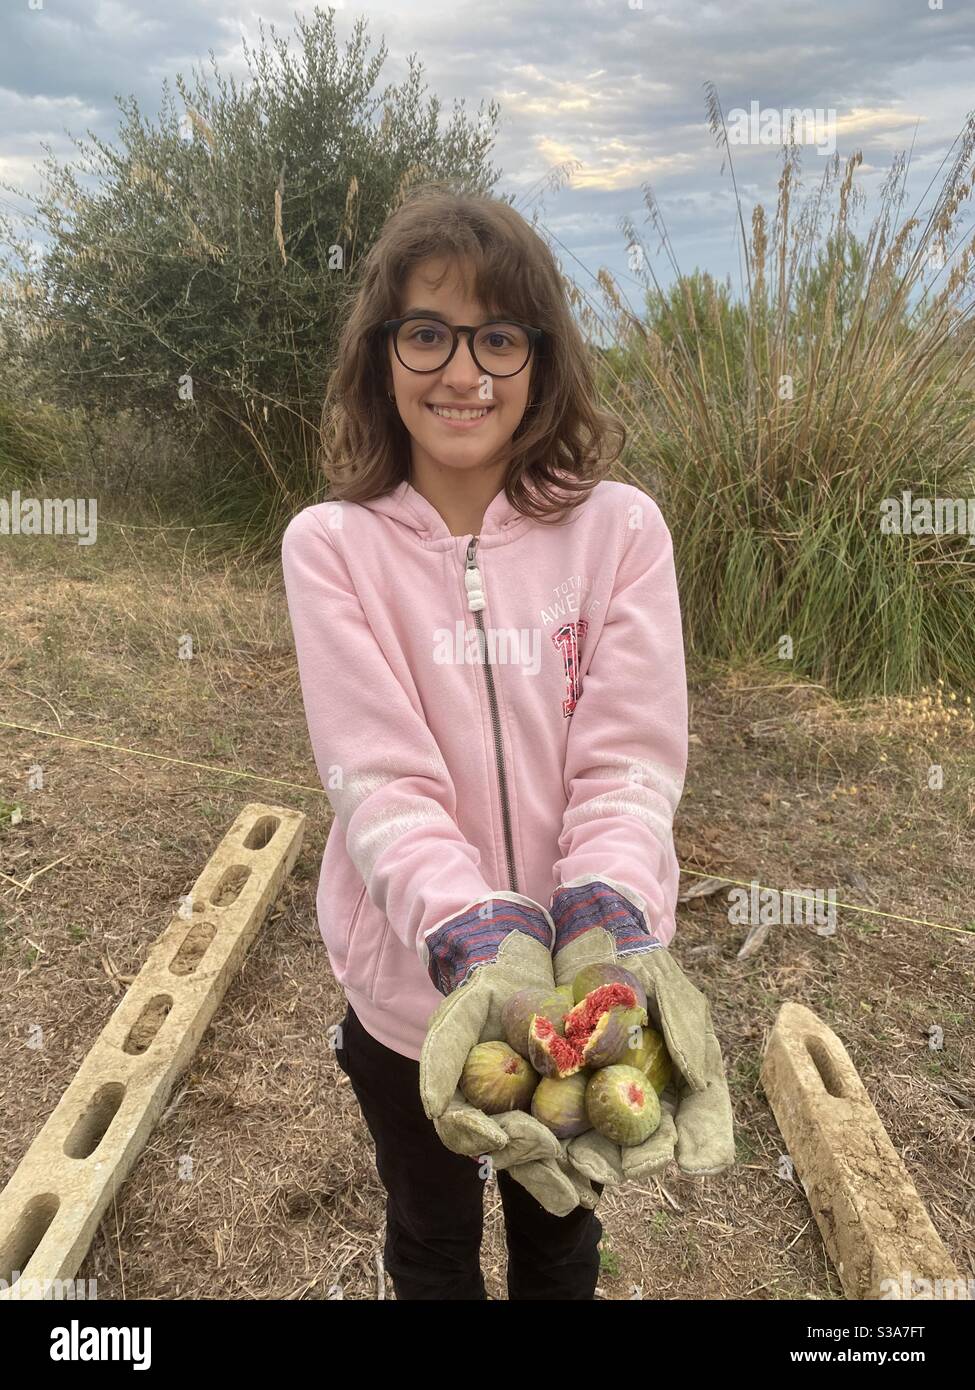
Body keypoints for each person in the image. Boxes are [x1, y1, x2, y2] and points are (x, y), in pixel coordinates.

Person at [281, 185, 735, 1301]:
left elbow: (628, 762)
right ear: (382, 355)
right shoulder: (330, 548)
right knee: (431, 1238)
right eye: (427, 333)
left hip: (589, 989)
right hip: (410, 994)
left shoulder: (620, 528)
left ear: (541, 357)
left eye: (498, 336)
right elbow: (379, 779)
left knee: (560, 1237)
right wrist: (479, 943)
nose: (463, 370)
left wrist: (598, 931)